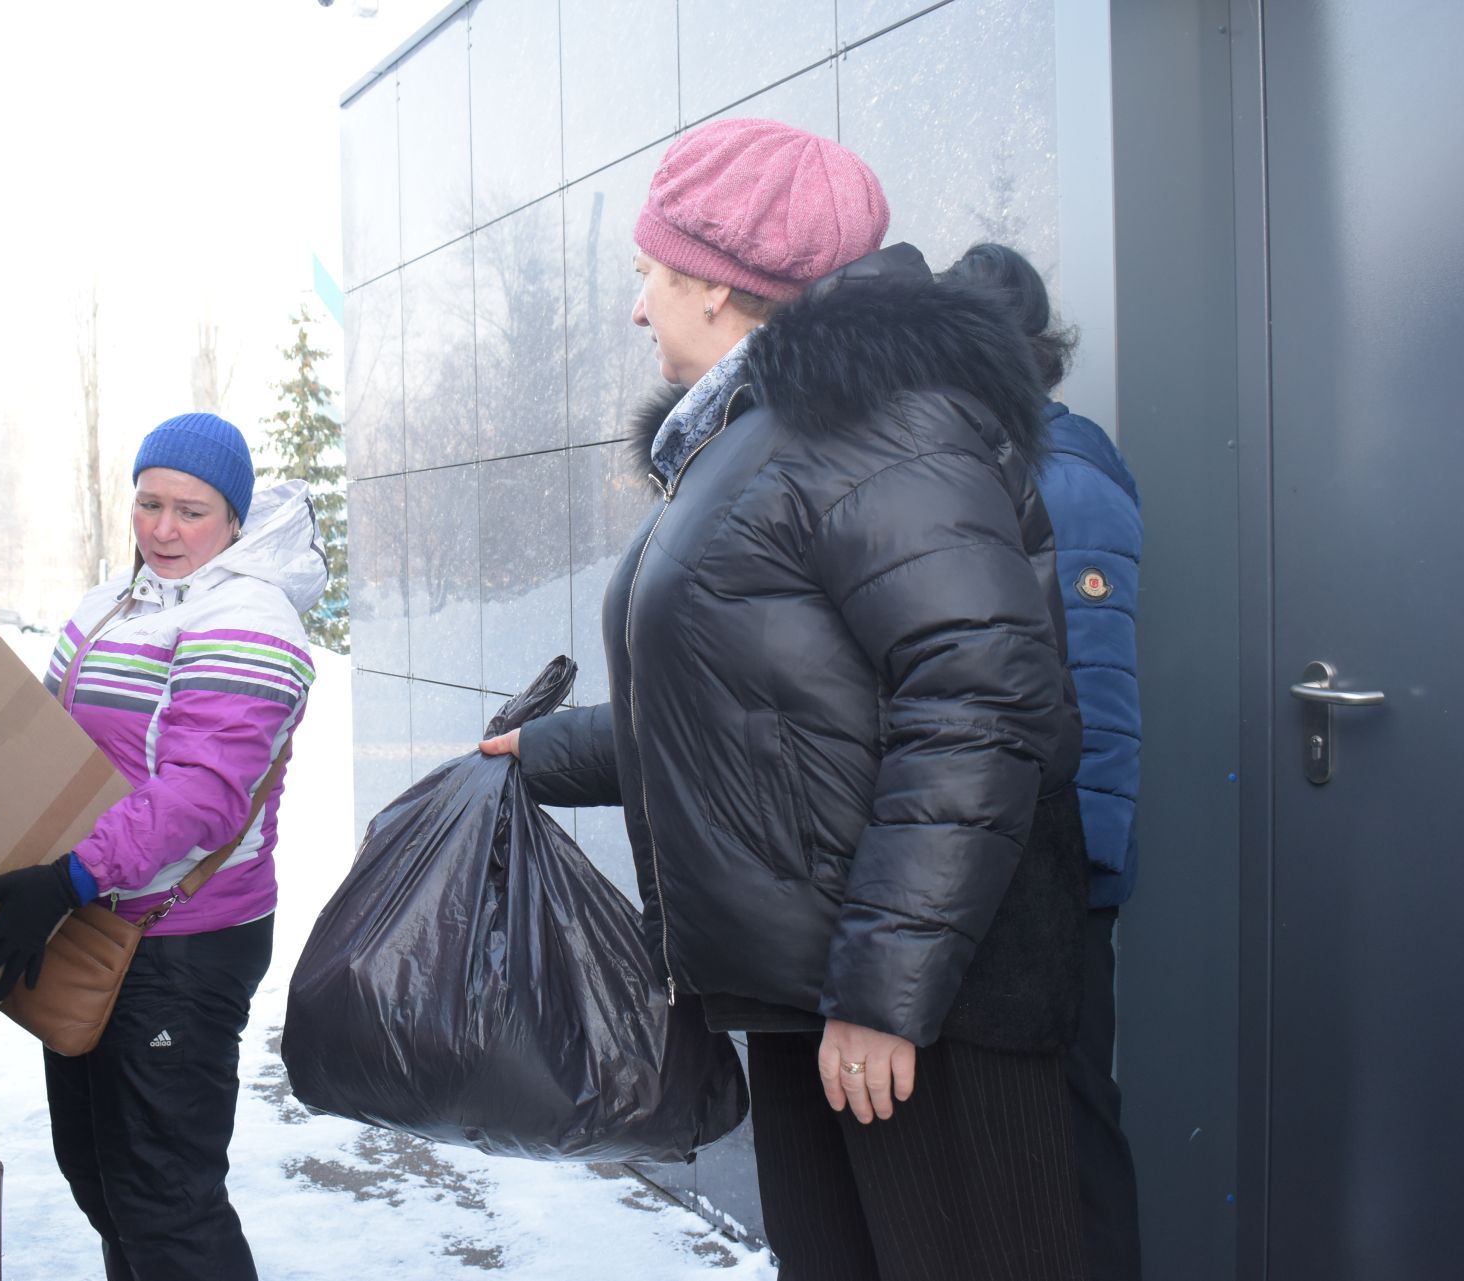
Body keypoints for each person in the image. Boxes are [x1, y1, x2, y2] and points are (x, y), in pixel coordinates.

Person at [480, 118, 1088, 1280]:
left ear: (720, 284)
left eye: (650, 274)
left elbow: (980, 700)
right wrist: (546, 752)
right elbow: (770, 705)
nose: (638, 306)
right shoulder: (767, 434)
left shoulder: (877, 421)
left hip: (923, 1008)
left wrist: (885, 990)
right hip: (830, 987)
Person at [0, 412, 327, 1281]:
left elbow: (203, 794)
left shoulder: (251, 619)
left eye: (192, 510)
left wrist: (73, 874)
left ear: (235, 519)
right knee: (101, 1177)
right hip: (92, 916)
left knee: (165, 1197)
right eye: (149, 503)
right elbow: (47, 739)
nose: (164, 529)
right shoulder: (114, 602)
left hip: (182, 938)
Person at [947, 242, 1144, 1281]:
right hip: (1014, 860)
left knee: (1074, 1131)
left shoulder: (1068, 484)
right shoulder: (996, 467)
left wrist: (1089, 872)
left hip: (1062, 868)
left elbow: (1100, 697)